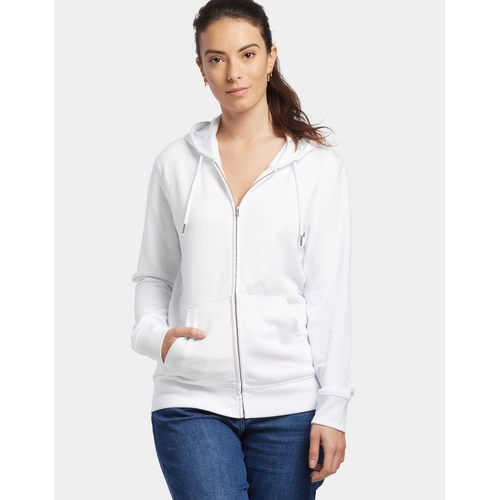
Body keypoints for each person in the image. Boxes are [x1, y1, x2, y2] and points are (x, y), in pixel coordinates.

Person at [131, 0, 355, 498]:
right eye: (216, 59)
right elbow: (154, 275)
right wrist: (154, 337)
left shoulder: (317, 169)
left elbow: (329, 294)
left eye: (248, 54)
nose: (233, 73)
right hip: (190, 398)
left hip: (290, 406)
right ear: (201, 69)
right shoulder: (175, 164)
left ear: (271, 58)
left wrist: (333, 406)